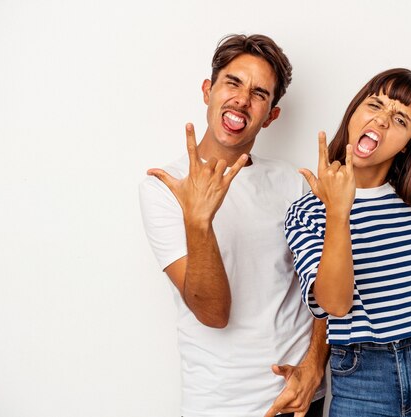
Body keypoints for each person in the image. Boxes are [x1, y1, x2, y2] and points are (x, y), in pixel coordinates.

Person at [139, 34, 327, 417]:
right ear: (208, 90)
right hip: (220, 403)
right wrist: (199, 221)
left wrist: (314, 365)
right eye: (233, 82)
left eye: (259, 93)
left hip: (299, 400)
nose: (242, 99)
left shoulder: (294, 182)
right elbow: (213, 313)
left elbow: (326, 292)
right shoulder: (164, 188)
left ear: (271, 115)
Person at [284, 68, 411, 417]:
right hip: (361, 380)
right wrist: (337, 214)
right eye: (375, 105)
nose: (381, 121)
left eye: (400, 119)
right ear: (353, 113)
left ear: (409, 141)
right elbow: (335, 304)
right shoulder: (306, 213)